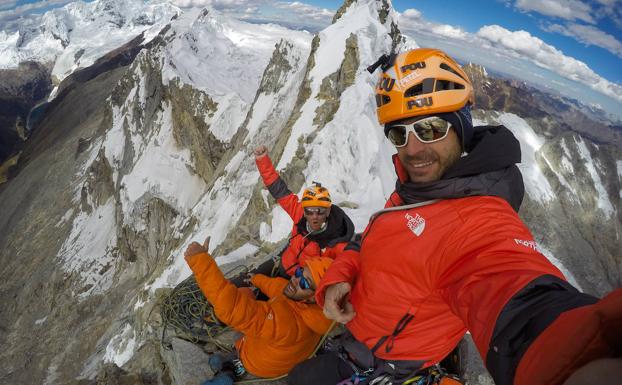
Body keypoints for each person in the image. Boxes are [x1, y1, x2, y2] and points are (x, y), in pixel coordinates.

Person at [288, 48, 622, 385]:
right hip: (360, 329)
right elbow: (370, 240)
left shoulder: (478, 218)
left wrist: (579, 360)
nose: (413, 150)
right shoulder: (417, 189)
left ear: (461, 128)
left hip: (387, 358)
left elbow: (514, 293)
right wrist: (341, 275)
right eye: (399, 134)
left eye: (430, 129)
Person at [184, 236, 334, 384]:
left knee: (240, 303)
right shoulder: (309, 307)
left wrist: (200, 261)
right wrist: (256, 279)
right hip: (279, 354)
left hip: (259, 363)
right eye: (300, 271)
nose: (296, 279)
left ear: (316, 297)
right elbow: (277, 287)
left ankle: (235, 367)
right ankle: (233, 362)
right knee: (246, 294)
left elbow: (232, 309)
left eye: (305, 282)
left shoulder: (287, 322)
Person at [253, 145, 355, 277]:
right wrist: (263, 160)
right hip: (283, 265)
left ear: (328, 211)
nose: (314, 216)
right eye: (309, 211)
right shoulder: (300, 214)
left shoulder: (336, 244)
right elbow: (278, 189)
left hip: (299, 284)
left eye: (320, 211)